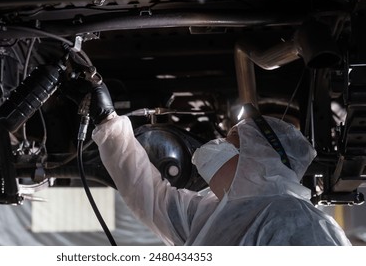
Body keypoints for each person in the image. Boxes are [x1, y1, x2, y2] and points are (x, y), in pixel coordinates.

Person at [84, 82, 351, 246]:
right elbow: (145, 193)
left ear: (259, 158)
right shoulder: (210, 215)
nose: (217, 144)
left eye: (230, 140)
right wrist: (107, 120)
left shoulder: (300, 220)